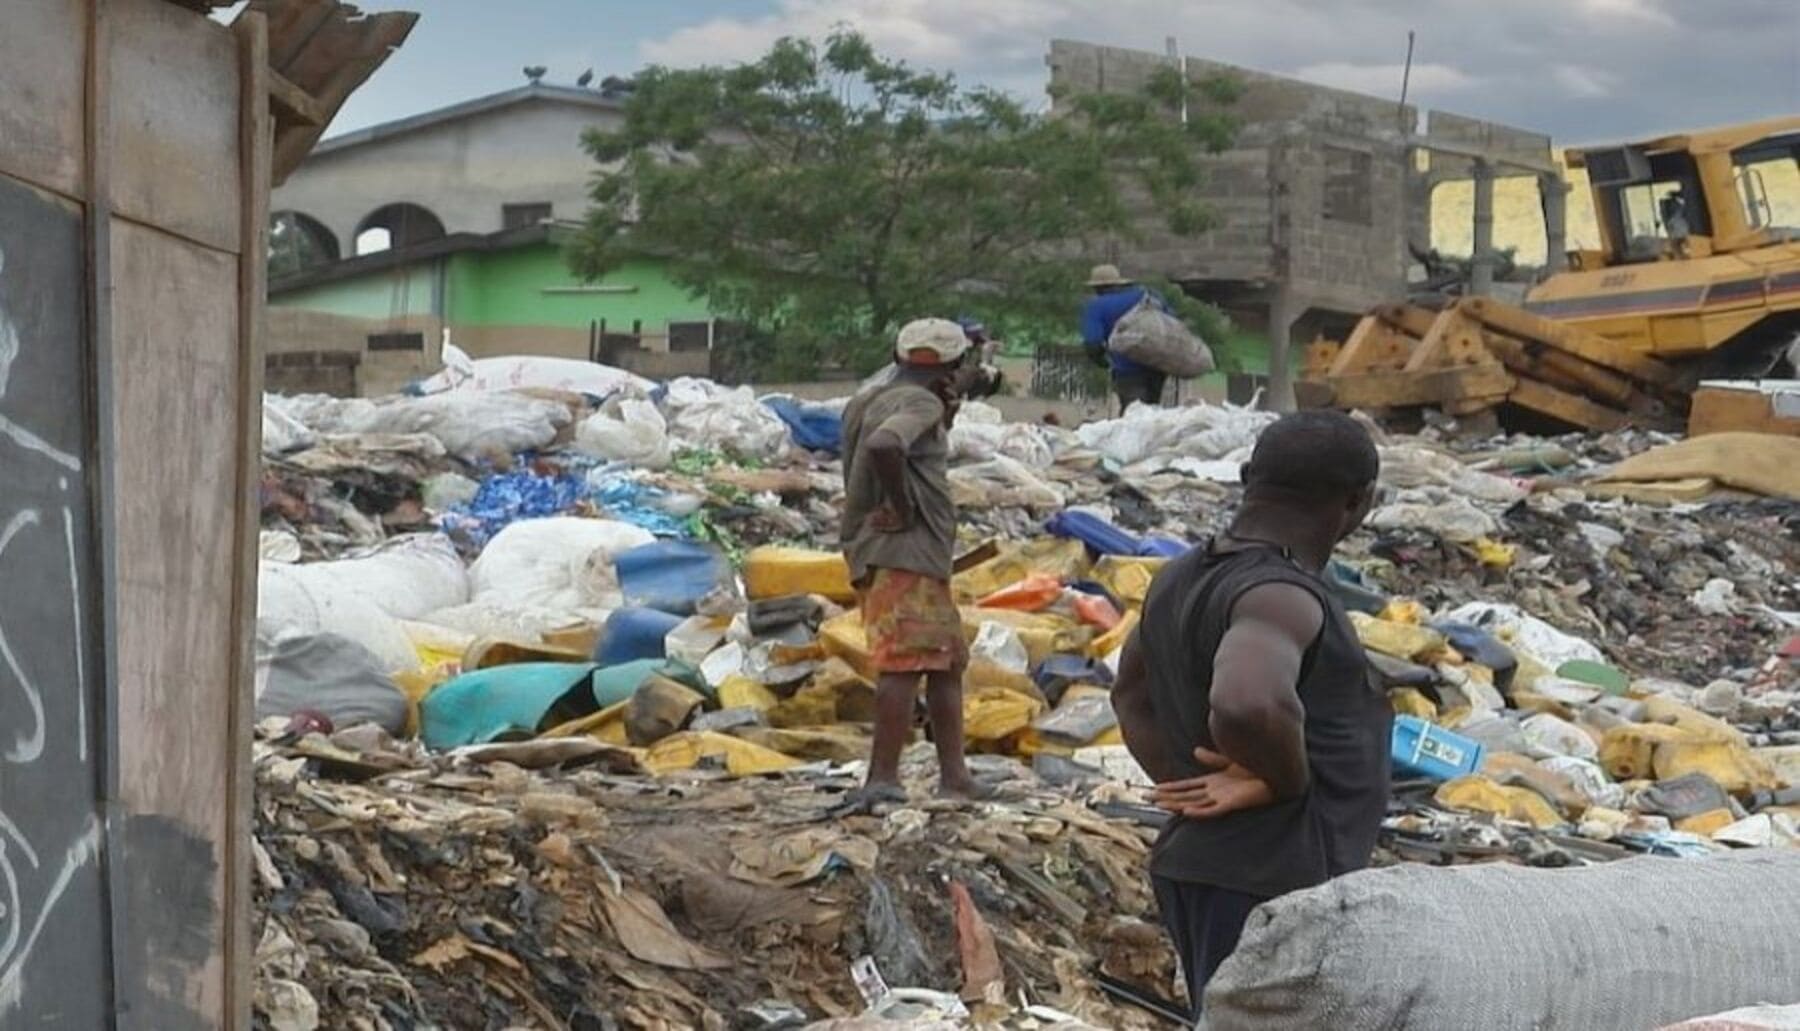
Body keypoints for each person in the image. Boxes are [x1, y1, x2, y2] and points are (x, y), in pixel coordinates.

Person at [1110, 410, 1390, 1018]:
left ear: (1245, 477)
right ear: (1358, 501)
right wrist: (1281, 782)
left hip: (1206, 867)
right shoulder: (1279, 594)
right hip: (1273, 882)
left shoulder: (1179, 576)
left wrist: (1188, 785)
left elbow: (1131, 694)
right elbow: (1247, 701)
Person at [839, 317, 990, 805]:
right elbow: (887, 445)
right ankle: (883, 778)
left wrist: (949, 407)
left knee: (945, 663)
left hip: (902, 553)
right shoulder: (920, 403)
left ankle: (955, 777)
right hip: (903, 550)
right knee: (904, 664)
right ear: (955, 364)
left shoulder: (871, 399)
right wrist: (902, 508)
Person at [1080, 263, 1170, 411]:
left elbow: (1092, 344)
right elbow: (1172, 324)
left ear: (1098, 288)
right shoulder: (1150, 296)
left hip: (1127, 369)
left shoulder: (1096, 306)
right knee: (1153, 411)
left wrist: (1104, 363)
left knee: (1133, 413)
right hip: (1157, 366)